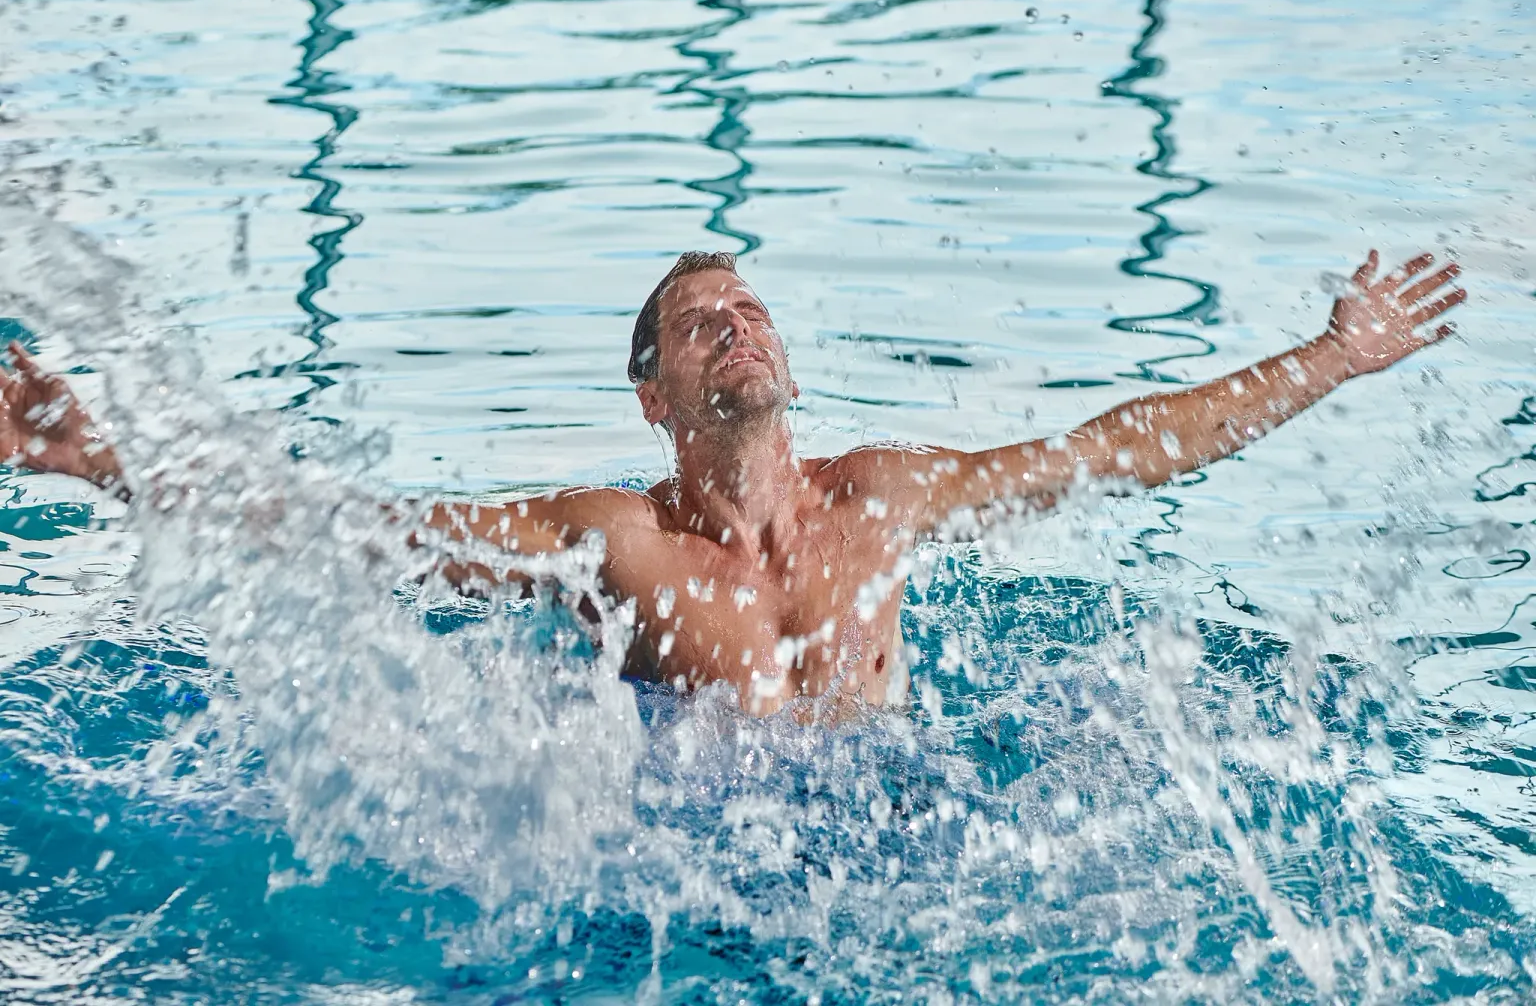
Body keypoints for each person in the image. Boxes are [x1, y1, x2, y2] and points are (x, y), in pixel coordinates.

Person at [0, 251, 1465, 716]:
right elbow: (358, 536)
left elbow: (1124, 448)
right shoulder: (612, 538)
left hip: (893, 828)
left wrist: (1330, 358)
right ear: (656, 397)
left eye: (750, 308)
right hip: (681, 862)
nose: (740, 323)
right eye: (703, 320)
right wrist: (99, 459)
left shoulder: (885, 494)